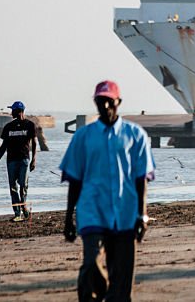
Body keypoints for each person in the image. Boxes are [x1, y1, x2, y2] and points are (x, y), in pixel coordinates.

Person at [60, 80, 155, 302]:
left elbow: (142, 179)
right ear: (95, 102)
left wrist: (142, 215)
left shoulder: (135, 135)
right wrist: (68, 219)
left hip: (125, 213)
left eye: (109, 101)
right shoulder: (83, 137)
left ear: (118, 102)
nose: (104, 106)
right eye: (100, 101)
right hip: (92, 211)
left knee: (122, 275)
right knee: (91, 263)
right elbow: (74, 180)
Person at [0, 101, 37, 221]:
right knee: (13, 187)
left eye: (13, 110)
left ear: (19, 111)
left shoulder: (30, 125)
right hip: (11, 161)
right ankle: (17, 213)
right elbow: (3, 146)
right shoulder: (8, 127)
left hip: (24, 160)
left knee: (23, 185)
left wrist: (34, 160)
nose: (11, 112)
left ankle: (24, 206)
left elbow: (35, 143)